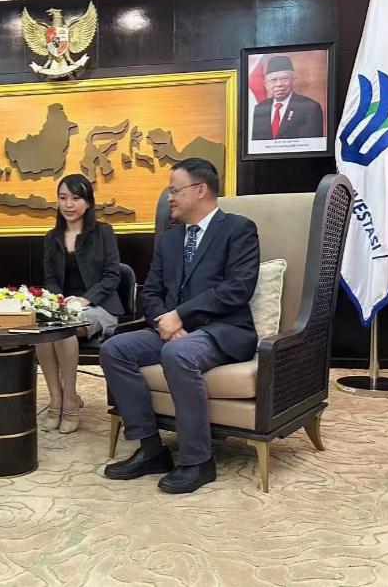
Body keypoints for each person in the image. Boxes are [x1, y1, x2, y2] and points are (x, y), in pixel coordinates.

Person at [100, 158, 260, 494]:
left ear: (201, 190)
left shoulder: (238, 229)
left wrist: (181, 316)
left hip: (222, 331)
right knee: (114, 348)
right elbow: (151, 292)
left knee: (179, 354)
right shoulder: (170, 240)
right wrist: (166, 323)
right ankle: (151, 449)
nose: (169, 197)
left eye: (175, 190)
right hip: (171, 331)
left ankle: (198, 461)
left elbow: (237, 288)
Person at [38, 174, 123, 434]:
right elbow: (50, 279)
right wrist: (59, 302)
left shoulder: (103, 233)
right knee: (42, 331)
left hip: (100, 305)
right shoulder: (51, 237)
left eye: (76, 198)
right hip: (64, 308)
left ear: (88, 202)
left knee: (64, 331)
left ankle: (70, 401)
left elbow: (112, 275)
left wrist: (86, 298)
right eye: (63, 198)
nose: (68, 204)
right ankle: (56, 399)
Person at [251, 55, 324, 140]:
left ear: (293, 80)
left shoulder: (310, 107)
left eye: (284, 79)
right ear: (266, 84)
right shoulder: (260, 108)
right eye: (273, 80)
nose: (279, 84)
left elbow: (312, 144)